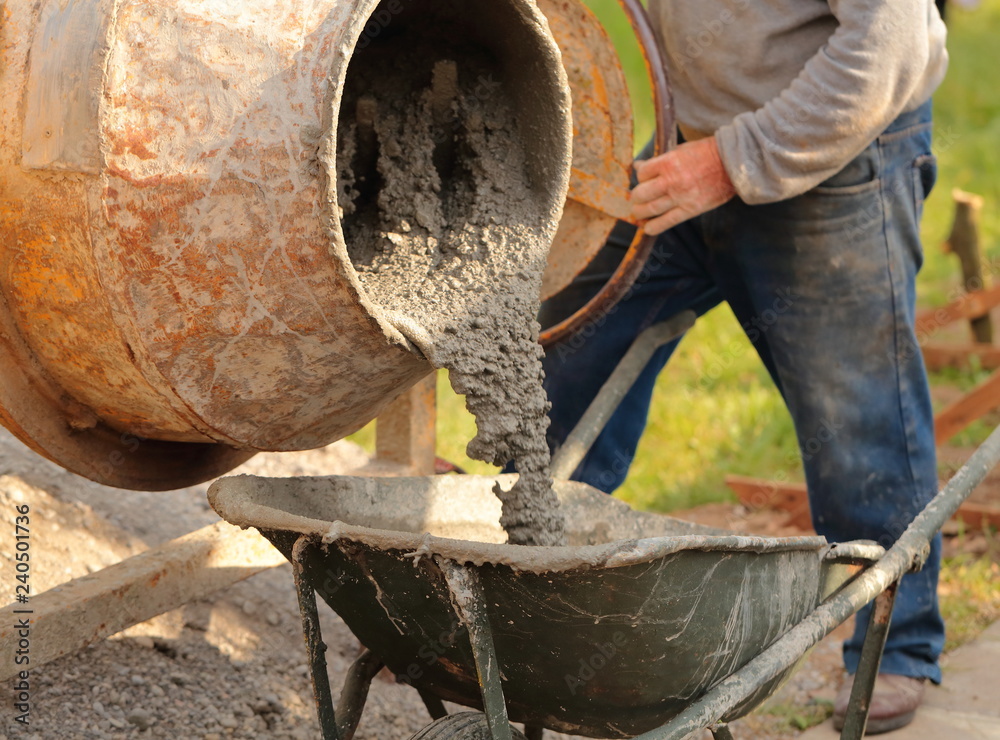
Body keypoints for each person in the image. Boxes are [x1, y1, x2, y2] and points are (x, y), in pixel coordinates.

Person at [540, 0, 949, 733]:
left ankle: (898, 644)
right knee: (573, 336)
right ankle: (537, 571)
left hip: (837, 150)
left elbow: (888, 43)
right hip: (692, 144)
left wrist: (731, 162)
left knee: (855, 418)